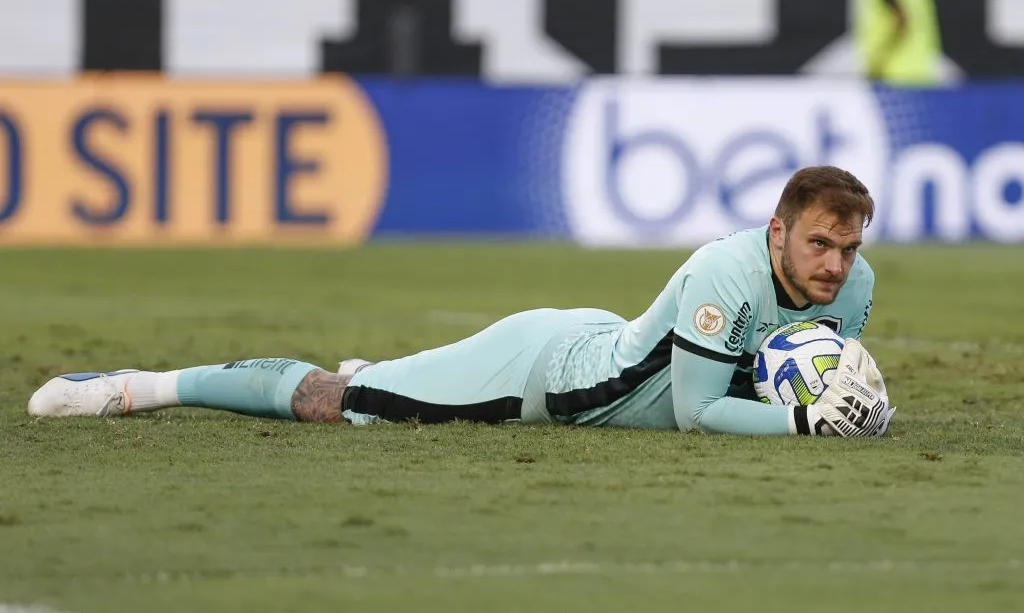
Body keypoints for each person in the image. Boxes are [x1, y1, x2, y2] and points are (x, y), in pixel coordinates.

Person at [28, 166, 895, 437]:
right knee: (334, 403)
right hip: (545, 379)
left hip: (603, 341)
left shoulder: (855, 288)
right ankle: (141, 385)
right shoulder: (723, 272)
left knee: (382, 381)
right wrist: (810, 424)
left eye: (847, 246)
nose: (833, 264)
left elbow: (778, 371)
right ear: (776, 229)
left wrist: (837, 395)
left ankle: (395, 371)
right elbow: (700, 412)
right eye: (818, 242)